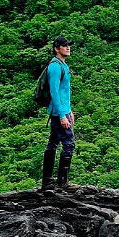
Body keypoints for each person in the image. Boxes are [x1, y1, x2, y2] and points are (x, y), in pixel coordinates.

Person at [40, 36, 75, 189]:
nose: (68, 48)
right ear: (56, 48)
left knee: (53, 143)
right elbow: (54, 93)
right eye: (64, 46)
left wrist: (69, 111)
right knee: (69, 144)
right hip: (58, 112)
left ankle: (47, 181)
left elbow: (64, 92)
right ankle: (62, 182)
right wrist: (62, 115)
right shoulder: (55, 67)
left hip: (62, 110)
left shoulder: (63, 65)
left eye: (68, 45)